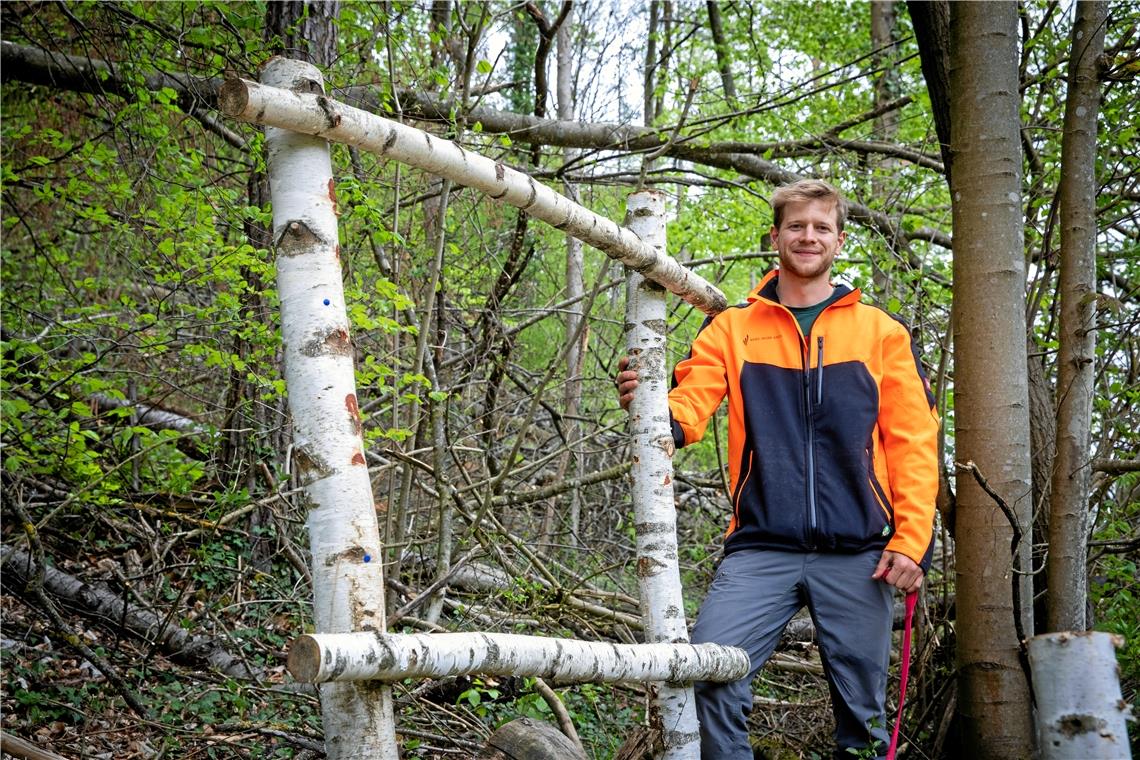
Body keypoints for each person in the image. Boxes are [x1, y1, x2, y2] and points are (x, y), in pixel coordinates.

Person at [616, 179, 939, 759]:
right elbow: (690, 400)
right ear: (776, 236)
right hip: (761, 546)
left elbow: (914, 441)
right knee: (707, 675)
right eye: (796, 226)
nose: (808, 236)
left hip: (862, 552)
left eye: (821, 227)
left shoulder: (881, 334)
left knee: (863, 721)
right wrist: (650, 408)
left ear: (839, 240)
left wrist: (912, 543)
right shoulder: (735, 328)